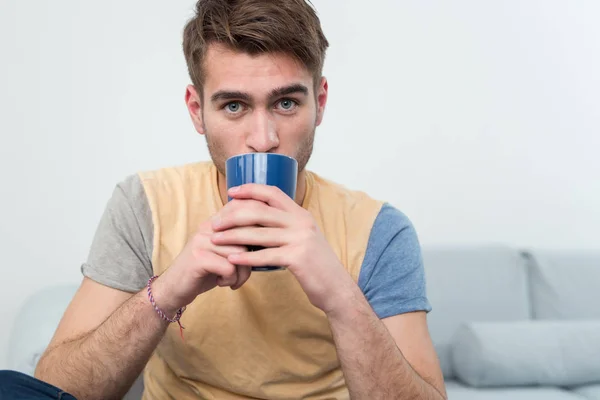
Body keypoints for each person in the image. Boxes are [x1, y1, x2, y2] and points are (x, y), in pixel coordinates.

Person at [0, 0, 447, 399]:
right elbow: (54, 388)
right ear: (197, 111)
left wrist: (340, 298)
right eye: (233, 106)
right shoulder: (146, 204)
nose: (263, 139)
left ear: (320, 102)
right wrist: (169, 289)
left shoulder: (378, 229)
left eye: (286, 103)